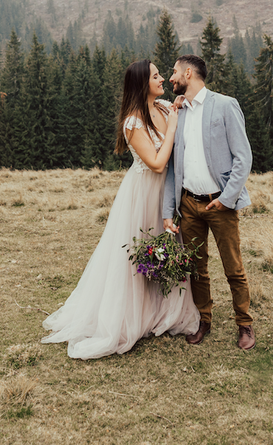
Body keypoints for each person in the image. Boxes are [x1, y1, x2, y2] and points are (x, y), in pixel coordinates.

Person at [42, 59, 200, 359]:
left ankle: (163, 310)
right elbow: (156, 163)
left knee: (166, 248)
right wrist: (174, 127)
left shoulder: (165, 108)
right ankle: (131, 315)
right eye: (156, 76)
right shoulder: (133, 122)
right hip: (142, 194)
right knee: (139, 252)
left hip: (167, 193)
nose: (162, 78)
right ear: (143, 83)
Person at [162, 54, 255, 350]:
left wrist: (228, 199)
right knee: (196, 268)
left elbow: (244, 157)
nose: (171, 78)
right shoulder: (178, 112)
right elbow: (172, 168)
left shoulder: (225, 105)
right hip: (188, 205)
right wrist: (170, 209)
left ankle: (244, 324)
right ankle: (203, 320)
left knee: (234, 268)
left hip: (221, 205)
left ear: (189, 73)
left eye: (174, 72)